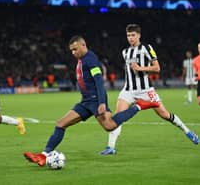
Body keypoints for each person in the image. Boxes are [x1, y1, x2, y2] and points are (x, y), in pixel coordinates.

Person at [23, 35, 159, 167]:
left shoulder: (90, 59)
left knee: (110, 126)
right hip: (85, 102)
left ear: (83, 45)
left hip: (95, 100)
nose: (73, 53)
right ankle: (43, 155)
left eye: (75, 49)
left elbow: (99, 81)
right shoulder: (82, 60)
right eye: (71, 50)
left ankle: (139, 106)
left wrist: (102, 103)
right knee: (61, 124)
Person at [100, 24, 200, 155]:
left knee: (164, 114)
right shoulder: (125, 52)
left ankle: (187, 131)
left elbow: (157, 68)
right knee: (118, 117)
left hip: (146, 90)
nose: (130, 38)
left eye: (133, 35)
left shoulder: (147, 48)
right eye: (128, 35)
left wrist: (141, 68)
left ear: (139, 35)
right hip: (128, 90)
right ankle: (110, 147)